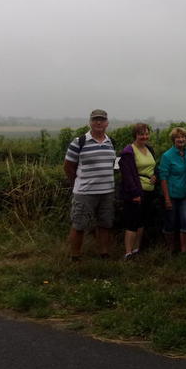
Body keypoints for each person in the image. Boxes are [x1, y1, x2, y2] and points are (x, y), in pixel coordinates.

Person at [63, 109, 116, 260]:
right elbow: (68, 166)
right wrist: (77, 182)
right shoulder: (78, 142)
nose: (98, 122)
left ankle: (104, 253)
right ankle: (75, 256)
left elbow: (112, 164)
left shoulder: (111, 141)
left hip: (107, 191)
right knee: (79, 225)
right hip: (85, 192)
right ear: (90, 122)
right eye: (95, 119)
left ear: (107, 123)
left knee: (105, 224)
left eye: (101, 119)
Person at [119, 123, 158, 260]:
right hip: (135, 192)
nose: (144, 136)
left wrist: (155, 176)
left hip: (148, 191)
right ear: (135, 135)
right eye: (141, 134)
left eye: (146, 133)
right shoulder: (128, 151)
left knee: (142, 221)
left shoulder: (149, 149)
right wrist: (135, 194)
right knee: (132, 222)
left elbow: (153, 167)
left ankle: (137, 249)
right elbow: (127, 175)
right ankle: (128, 252)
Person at [159, 127, 186, 253]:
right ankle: (170, 248)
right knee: (170, 222)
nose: (180, 139)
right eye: (177, 137)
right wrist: (167, 198)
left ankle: (184, 249)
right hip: (172, 195)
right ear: (173, 140)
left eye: (183, 137)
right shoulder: (167, 156)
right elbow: (163, 178)